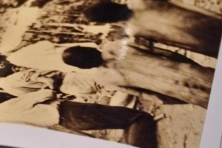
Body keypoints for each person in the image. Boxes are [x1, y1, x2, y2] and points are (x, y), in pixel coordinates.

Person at [0, 89, 158, 148]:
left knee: (120, 121)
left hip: (65, 124)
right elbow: (45, 93)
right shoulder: (2, 109)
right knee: (137, 118)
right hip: (68, 111)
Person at [62, 44, 213, 108]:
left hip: (186, 93)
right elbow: (168, 53)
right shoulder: (115, 45)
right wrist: (194, 67)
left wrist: (183, 99)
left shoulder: (103, 79)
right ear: (88, 48)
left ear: (82, 67)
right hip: (193, 72)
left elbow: (149, 95)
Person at [83, 0, 222, 58]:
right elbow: (179, 4)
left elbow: (175, 43)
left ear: (109, 20)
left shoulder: (134, 30)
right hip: (203, 21)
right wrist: (215, 15)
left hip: (199, 41)